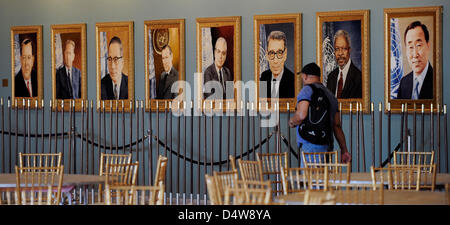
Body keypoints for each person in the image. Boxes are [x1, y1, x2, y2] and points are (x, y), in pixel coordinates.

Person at [289, 62, 351, 166]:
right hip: (326, 145)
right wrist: (344, 150)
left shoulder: (307, 90)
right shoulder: (330, 95)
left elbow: (301, 115)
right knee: (322, 180)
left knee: (308, 181)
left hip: (310, 145)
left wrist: (292, 122)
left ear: (305, 76)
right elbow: (337, 126)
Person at [396, 21, 433, 99]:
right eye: (411, 47)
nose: (415, 54)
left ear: (428, 46)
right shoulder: (404, 83)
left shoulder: (438, 80)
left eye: (419, 45)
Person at [326, 29, 362, 99]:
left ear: (349, 50)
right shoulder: (331, 77)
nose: (340, 53)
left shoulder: (359, 77)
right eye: (337, 49)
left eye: (344, 49)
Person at [259, 31, 295, 98]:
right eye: (271, 53)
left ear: (285, 54)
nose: (275, 60)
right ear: (266, 54)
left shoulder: (293, 80)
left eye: (279, 53)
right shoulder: (264, 77)